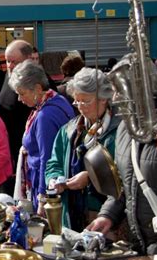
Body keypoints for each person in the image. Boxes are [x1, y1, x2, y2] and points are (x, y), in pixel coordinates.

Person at [86, 67, 157, 256]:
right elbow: (123, 185)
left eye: (120, 90)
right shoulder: (125, 127)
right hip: (141, 246)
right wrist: (107, 215)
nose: (115, 98)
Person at [46, 67, 120, 231]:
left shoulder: (121, 131)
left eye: (86, 101)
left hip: (107, 218)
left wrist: (90, 177)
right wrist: (54, 179)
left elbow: (125, 174)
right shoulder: (69, 130)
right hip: (72, 214)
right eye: (76, 101)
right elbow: (54, 163)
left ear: (103, 99)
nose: (80, 106)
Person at [9, 60, 75, 214]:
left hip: (46, 186)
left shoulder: (45, 116)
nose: (19, 99)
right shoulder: (57, 100)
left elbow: (47, 158)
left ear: (37, 88)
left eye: (22, 93)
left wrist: (42, 198)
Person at [0, 40, 34, 172]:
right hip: (7, 151)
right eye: (8, 61)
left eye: (14, 62)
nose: (10, 66)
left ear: (28, 60)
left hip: (26, 154)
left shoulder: (38, 83)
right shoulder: (8, 77)